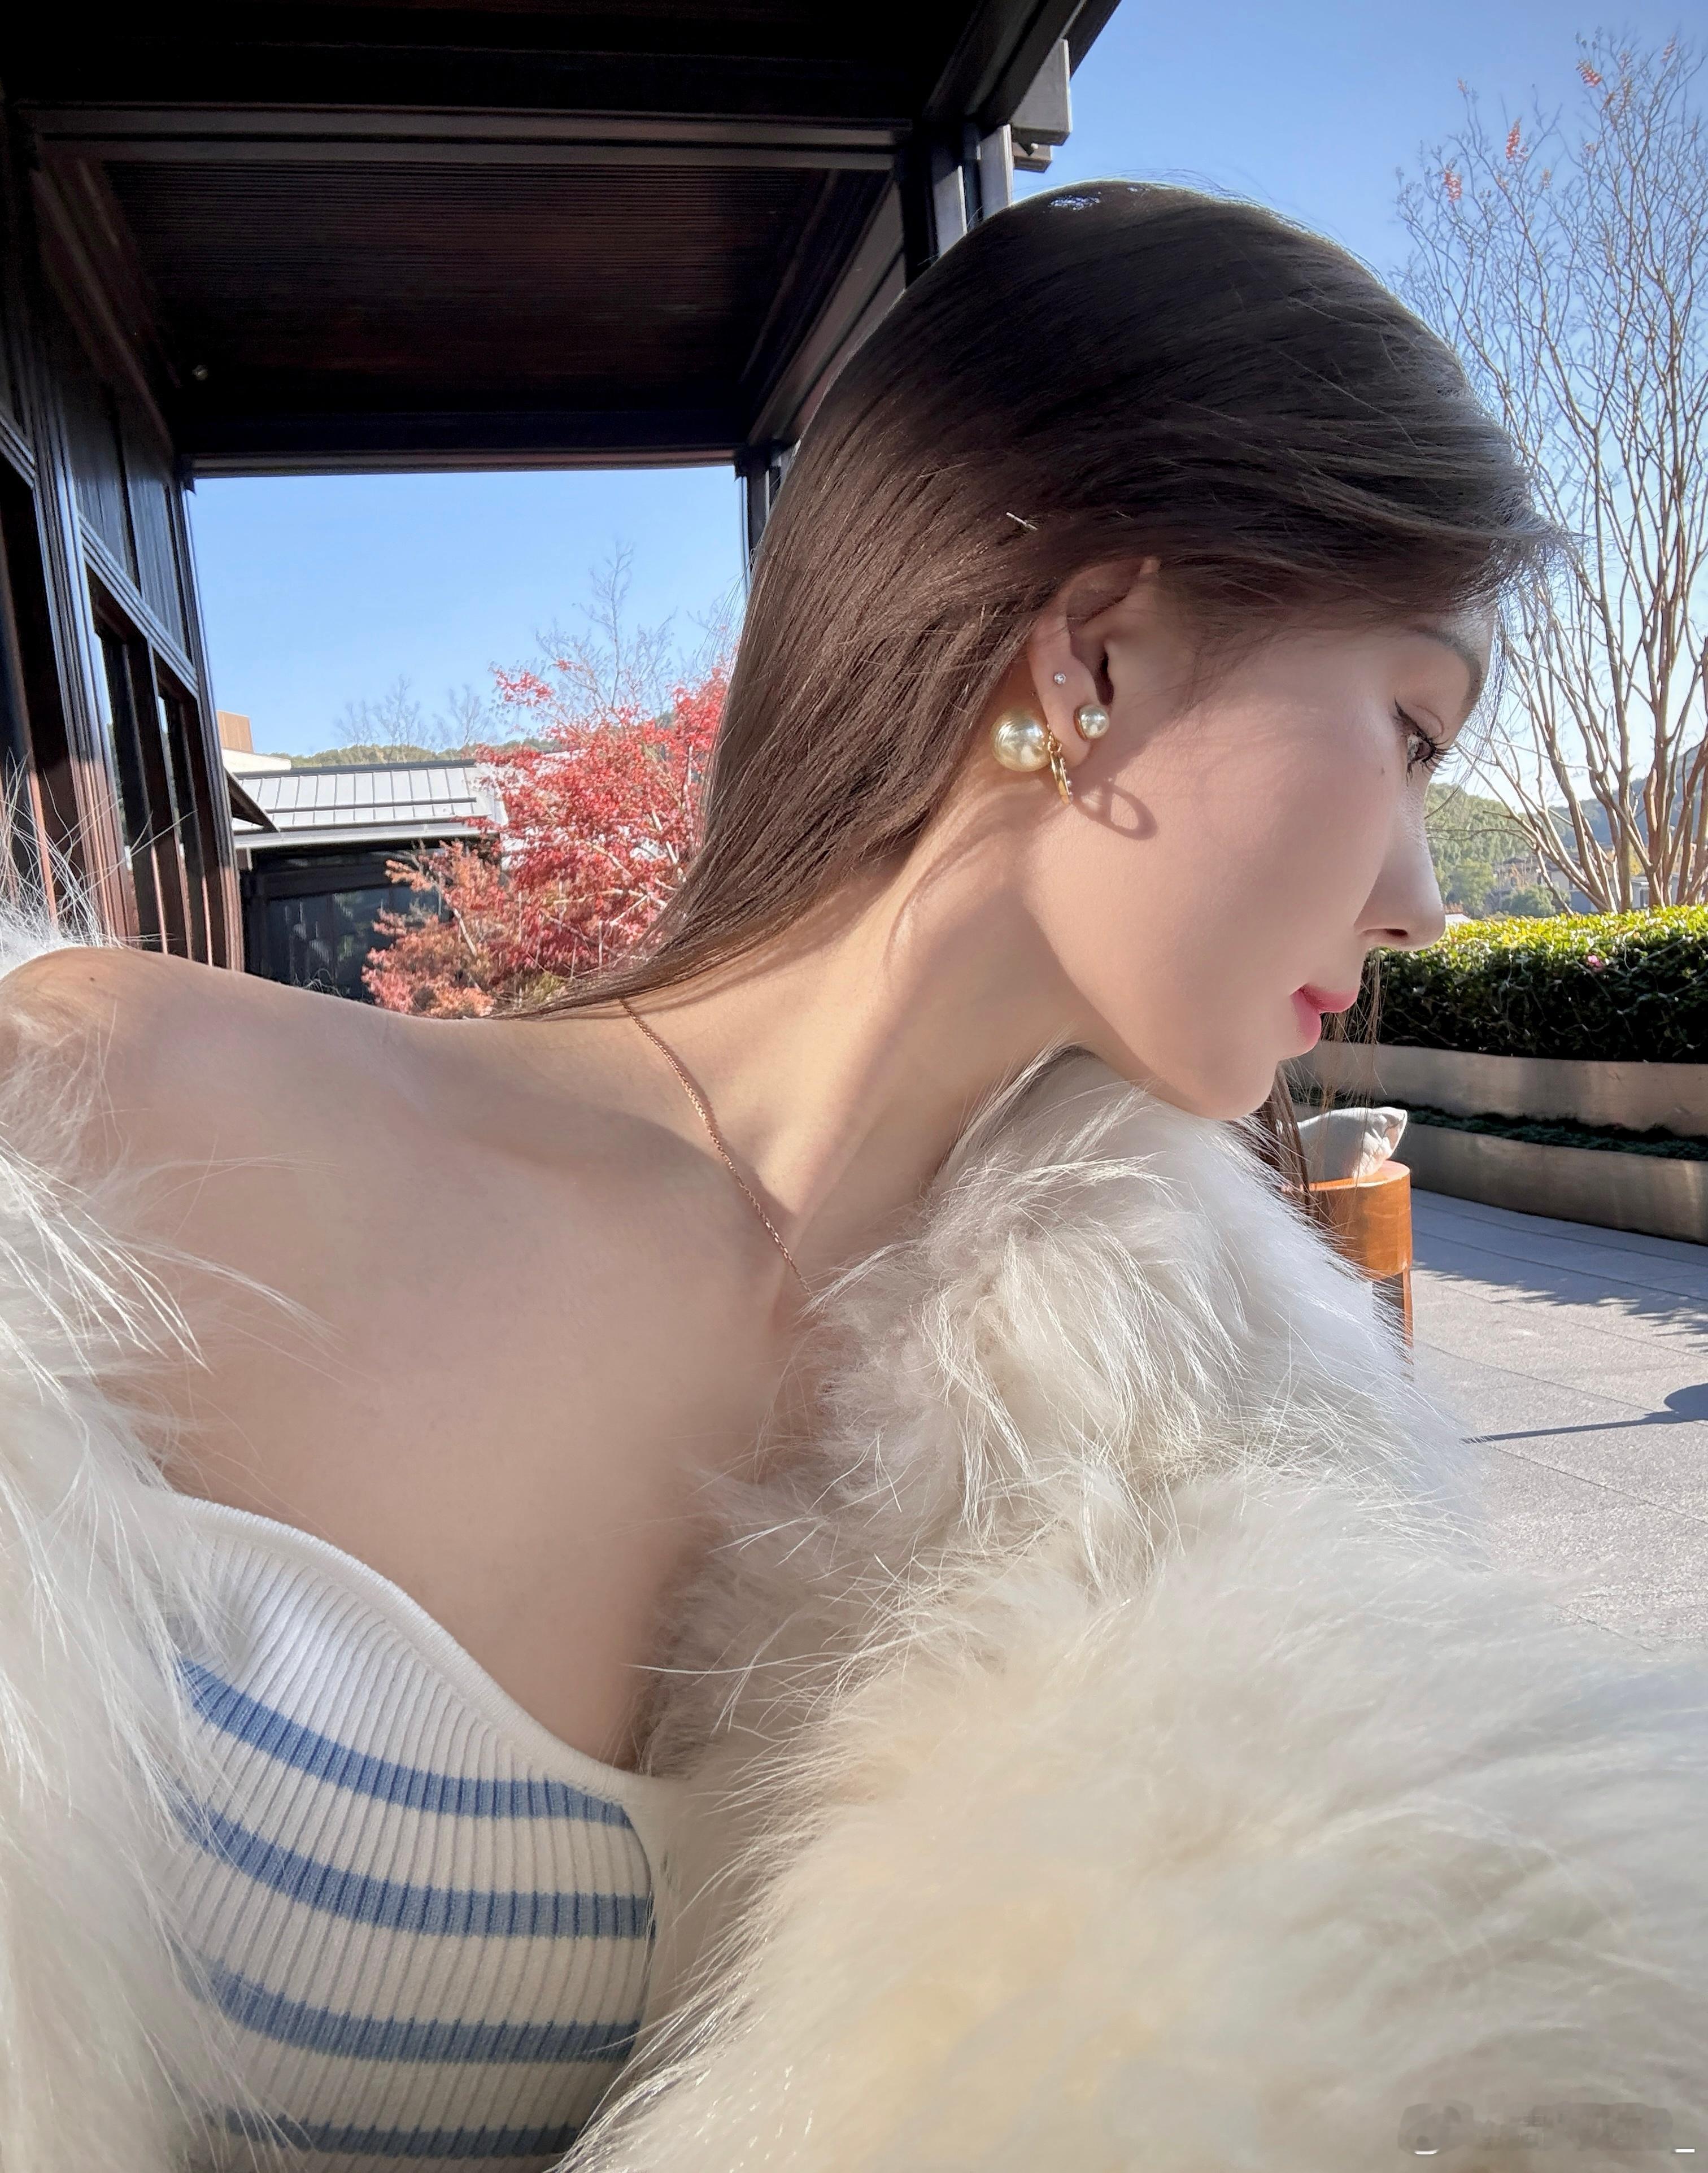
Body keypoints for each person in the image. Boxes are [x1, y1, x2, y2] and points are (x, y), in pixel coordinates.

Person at [3, 178, 1707, 2173]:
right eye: (1413, 730)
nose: (1425, 898)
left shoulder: (1210, 1446)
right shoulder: (127, 1129)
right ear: (1094, 656)